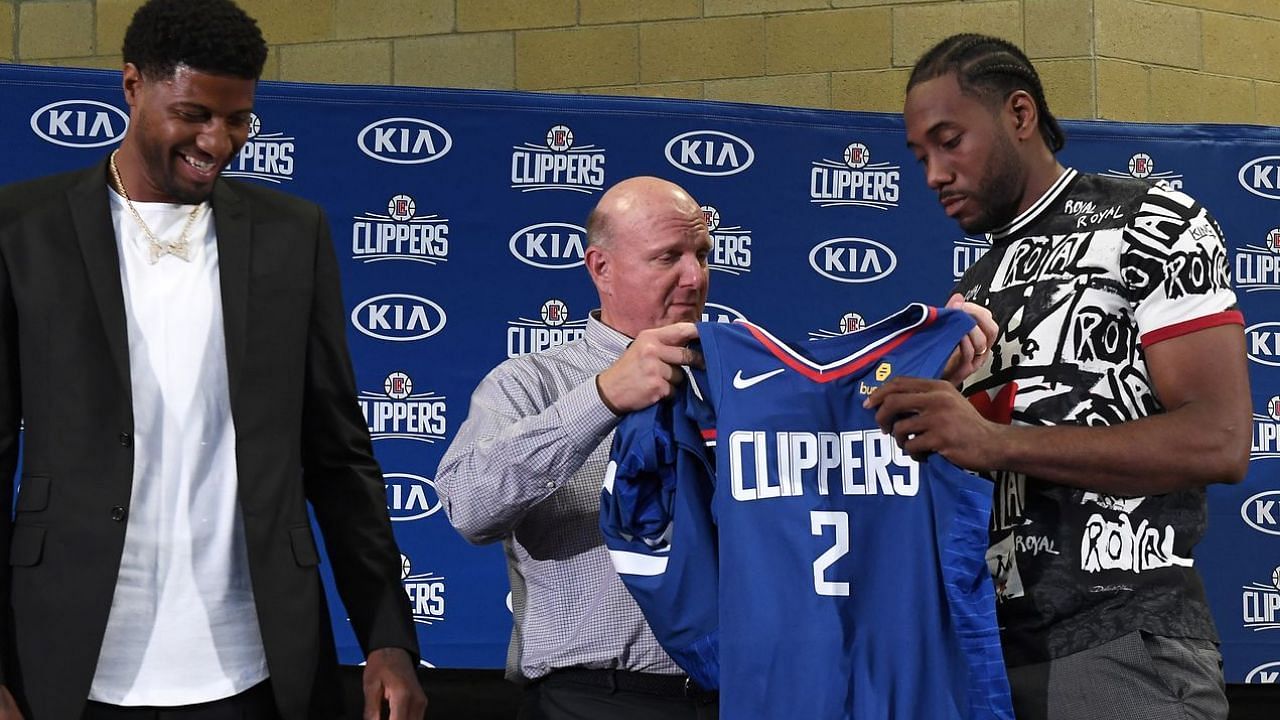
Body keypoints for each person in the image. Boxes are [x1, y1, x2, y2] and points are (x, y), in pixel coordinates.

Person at [0, 1, 427, 718]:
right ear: (133, 86)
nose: (217, 140)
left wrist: (387, 636)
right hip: (67, 663)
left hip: (253, 665)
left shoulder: (293, 235)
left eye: (237, 120)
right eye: (194, 113)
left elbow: (338, 456)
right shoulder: (23, 230)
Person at [436, 175, 995, 719]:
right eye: (667, 257)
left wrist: (927, 368)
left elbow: (840, 453)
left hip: (748, 693)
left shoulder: (747, 381)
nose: (693, 277)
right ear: (600, 267)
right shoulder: (532, 382)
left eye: (702, 254)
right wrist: (604, 397)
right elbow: (470, 506)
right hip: (596, 696)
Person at [867, 33, 1251, 720]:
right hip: (991, 654)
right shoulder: (975, 285)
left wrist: (995, 440)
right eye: (921, 155)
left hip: (1121, 643)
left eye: (949, 141)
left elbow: (1216, 440)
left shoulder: (1153, 224)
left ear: (1019, 114)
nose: (933, 173)